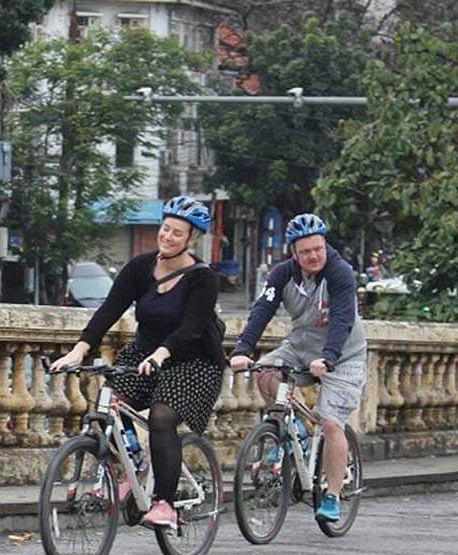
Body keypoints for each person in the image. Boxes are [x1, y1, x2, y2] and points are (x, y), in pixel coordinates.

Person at [51, 196, 226, 529]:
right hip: (144, 353)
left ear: (191, 239)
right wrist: (79, 349)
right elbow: (109, 310)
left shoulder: (204, 278)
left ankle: (165, 504)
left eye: (178, 233)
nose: (168, 236)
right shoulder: (140, 267)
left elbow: (192, 326)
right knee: (107, 407)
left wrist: (163, 353)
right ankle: (132, 466)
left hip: (194, 361)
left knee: (161, 417)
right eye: (166, 229)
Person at [229, 213, 367, 522]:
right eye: (306, 251)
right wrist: (243, 349)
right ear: (294, 252)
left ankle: (331, 495)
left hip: (343, 354)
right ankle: (292, 432)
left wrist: (330, 357)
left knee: (331, 423)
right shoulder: (282, 275)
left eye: (318, 248)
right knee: (263, 371)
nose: (314, 256)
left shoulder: (340, 273)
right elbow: (262, 309)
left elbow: (343, 318)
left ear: (324, 245)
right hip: (301, 346)